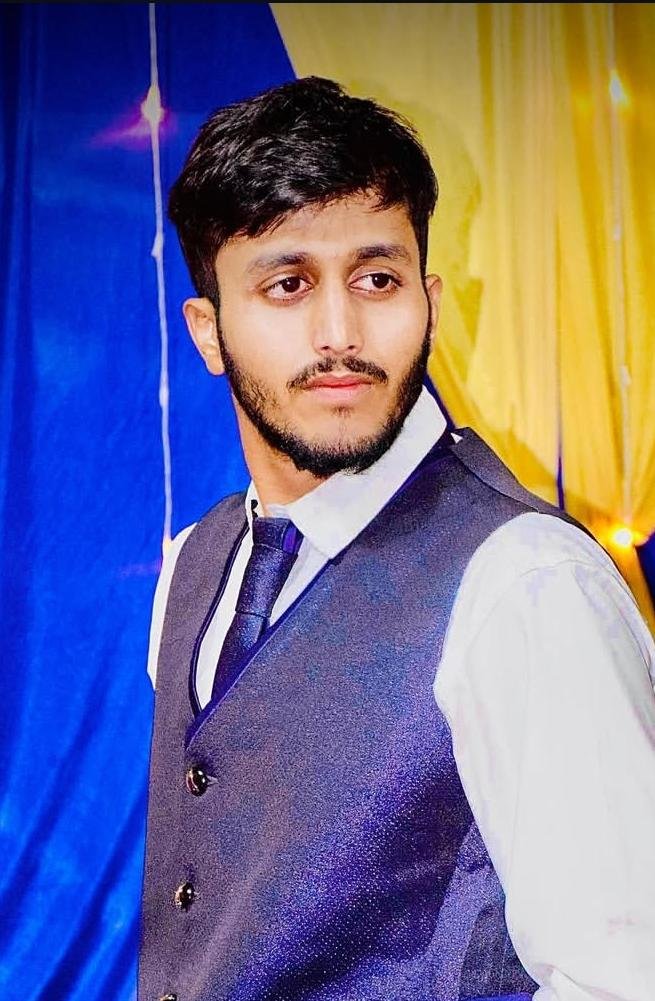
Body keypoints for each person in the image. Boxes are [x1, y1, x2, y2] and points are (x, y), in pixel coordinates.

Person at [140, 77, 655, 1001]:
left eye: (375, 278)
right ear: (208, 331)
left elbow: (622, 977)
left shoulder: (526, 583)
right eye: (288, 284)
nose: (341, 333)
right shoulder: (192, 563)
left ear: (430, 300)